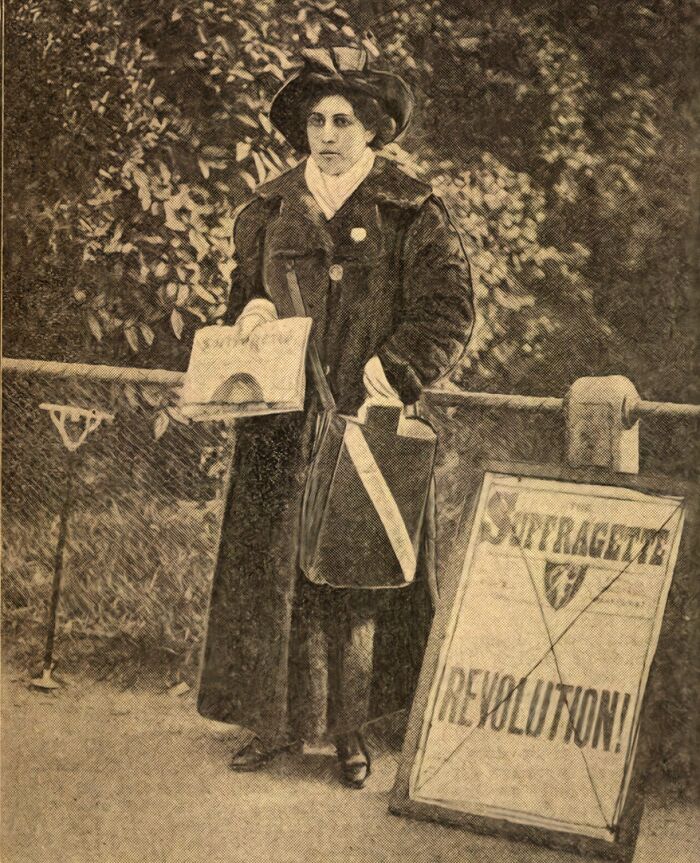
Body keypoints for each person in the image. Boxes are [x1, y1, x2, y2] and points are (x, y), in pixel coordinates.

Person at [197, 46, 474, 788]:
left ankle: (352, 731)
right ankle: (274, 720)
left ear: (374, 129)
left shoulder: (412, 208)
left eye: (343, 120)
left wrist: (395, 368)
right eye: (315, 119)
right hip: (280, 421)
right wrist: (251, 310)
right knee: (273, 570)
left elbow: (449, 312)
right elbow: (239, 298)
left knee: (353, 575)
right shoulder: (267, 206)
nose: (326, 133)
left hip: (366, 415)